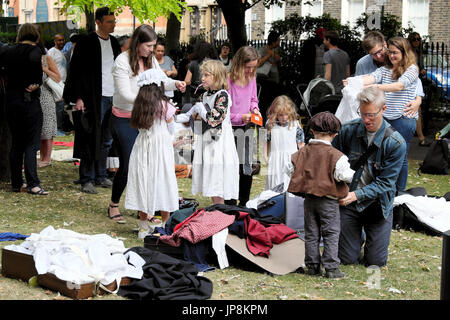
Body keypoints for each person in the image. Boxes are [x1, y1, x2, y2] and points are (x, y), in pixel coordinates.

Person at [107, 24, 185, 223]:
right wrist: (150, 103)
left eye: (154, 46)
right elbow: (124, 93)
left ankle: (146, 208)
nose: (152, 50)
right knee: (130, 163)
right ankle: (114, 204)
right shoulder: (122, 61)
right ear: (138, 43)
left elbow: (159, 82)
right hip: (125, 118)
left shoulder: (151, 61)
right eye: (149, 46)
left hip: (147, 119)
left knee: (149, 165)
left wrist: (175, 84)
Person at [332, 86, 406, 267]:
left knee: (375, 263)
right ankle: (356, 237)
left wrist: (355, 195)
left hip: (378, 206)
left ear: (383, 109)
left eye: (371, 114)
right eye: (363, 113)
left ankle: (367, 238)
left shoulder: (396, 143)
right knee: (346, 259)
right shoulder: (348, 131)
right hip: (349, 204)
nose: (366, 119)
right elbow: (332, 161)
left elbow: (387, 183)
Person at [287, 112, 354, 278]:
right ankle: (331, 268)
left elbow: (289, 170)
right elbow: (345, 175)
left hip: (309, 200)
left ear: (312, 131)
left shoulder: (301, 153)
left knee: (311, 233)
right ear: (334, 134)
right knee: (331, 233)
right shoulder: (337, 156)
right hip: (329, 202)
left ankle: (312, 266)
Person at [63, 7, 122, 194]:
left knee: (106, 139)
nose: (113, 25)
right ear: (98, 22)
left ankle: (101, 175)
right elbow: (76, 72)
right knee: (89, 138)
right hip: (92, 98)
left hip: (112, 96)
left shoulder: (113, 43)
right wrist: (78, 98)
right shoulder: (86, 43)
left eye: (114, 21)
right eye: (109, 22)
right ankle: (86, 178)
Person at [358, 37, 419, 192]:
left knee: (401, 157)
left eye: (395, 53)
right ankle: (383, 188)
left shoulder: (411, 69)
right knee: (381, 154)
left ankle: (399, 191)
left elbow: (398, 86)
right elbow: (371, 77)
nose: (391, 56)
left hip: (403, 119)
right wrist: (354, 81)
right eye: (390, 52)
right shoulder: (385, 69)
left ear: (404, 53)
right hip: (386, 119)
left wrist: (375, 87)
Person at [125, 69, 179, 239]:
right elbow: (171, 128)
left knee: (143, 182)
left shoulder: (139, 105)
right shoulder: (165, 106)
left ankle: (143, 227)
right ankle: (165, 224)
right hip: (161, 147)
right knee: (163, 182)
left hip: (142, 146)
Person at [176, 60, 239, 205]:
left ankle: (221, 215)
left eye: (206, 75)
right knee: (211, 178)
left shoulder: (223, 95)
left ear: (216, 77)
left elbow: (214, 120)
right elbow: (190, 115)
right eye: (202, 75)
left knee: (217, 179)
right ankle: (218, 211)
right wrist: (171, 116)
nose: (202, 78)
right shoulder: (204, 96)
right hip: (207, 140)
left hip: (219, 143)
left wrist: (200, 109)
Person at [1, 23, 48, 195]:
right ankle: (33, 183)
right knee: (31, 143)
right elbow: (38, 76)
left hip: (12, 101)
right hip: (28, 101)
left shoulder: (9, 51)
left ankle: (16, 182)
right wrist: (35, 84)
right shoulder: (35, 52)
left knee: (17, 144)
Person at [225, 46, 261, 207]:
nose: (250, 70)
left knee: (246, 166)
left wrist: (255, 109)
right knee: (231, 166)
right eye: (248, 67)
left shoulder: (252, 78)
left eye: (254, 67)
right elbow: (224, 113)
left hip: (246, 127)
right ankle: (230, 200)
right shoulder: (228, 80)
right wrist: (241, 116)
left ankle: (244, 202)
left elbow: (253, 99)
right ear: (239, 64)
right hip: (230, 128)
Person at [264, 95, 305, 191]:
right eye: (281, 115)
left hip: (291, 159)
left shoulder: (295, 125)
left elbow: (301, 144)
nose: (284, 118)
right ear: (275, 113)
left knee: (289, 184)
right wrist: (265, 156)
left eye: (286, 114)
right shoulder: (270, 124)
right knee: (275, 184)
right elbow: (266, 141)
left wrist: (301, 159)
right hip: (275, 159)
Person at [37, 34, 60, 168]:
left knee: (48, 128)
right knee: (40, 129)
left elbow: (58, 77)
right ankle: (42, 157)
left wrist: (44, 69)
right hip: (35, 97)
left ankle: (47, 158)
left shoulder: (47, 58)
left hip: (46, 96)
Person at [408, 32, 430, 147]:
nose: (417, 41)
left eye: (418, 39)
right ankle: (421, 138)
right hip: (410, 84)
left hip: (417, 83)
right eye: (414, 39)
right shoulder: (409, 54)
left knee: (417, 111)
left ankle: (420, 137)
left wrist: (422, 70)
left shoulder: (418, 53)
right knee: (417, 111)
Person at [47, 33, 67, 136]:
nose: (61, 42)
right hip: (56, 83)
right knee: (58, 107)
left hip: (62, 82)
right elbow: (48, 67)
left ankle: (60, 128)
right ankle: (57, 129)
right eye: (59, 40)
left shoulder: (61, 52)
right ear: (55, 41)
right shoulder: (51, 52)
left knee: (61, 107)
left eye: (63, 40)